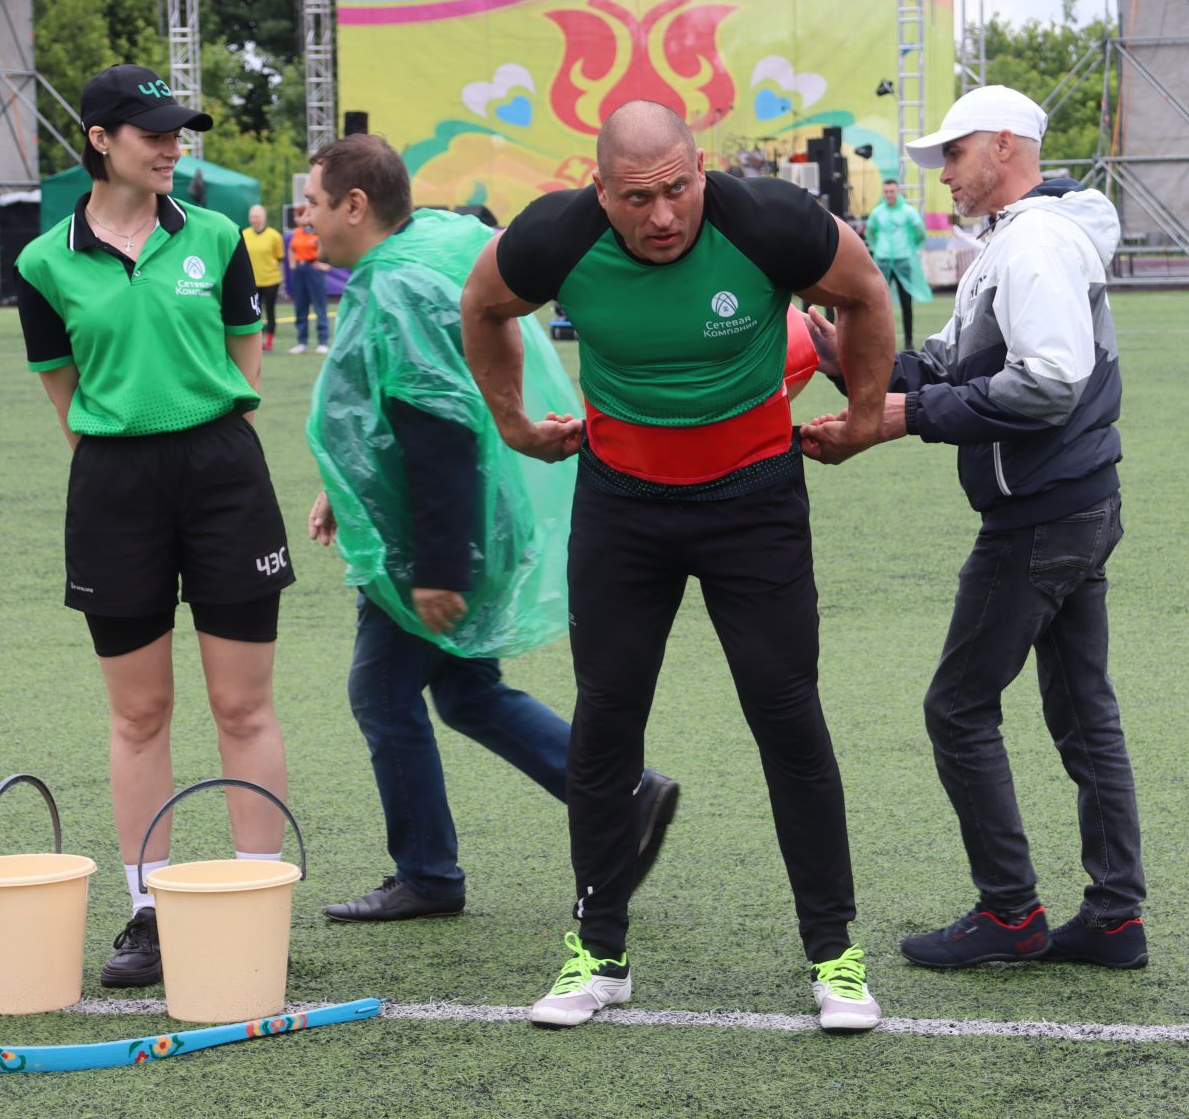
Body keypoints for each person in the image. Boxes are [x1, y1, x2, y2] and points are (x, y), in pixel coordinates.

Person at [460, 100, 897, 1033]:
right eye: (636, 198)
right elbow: (484, 306)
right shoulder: (555, 239)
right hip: (624, 507)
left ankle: (835, 956)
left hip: (755, 503)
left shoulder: (770, 221)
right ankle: (599, 954)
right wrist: (513, 424)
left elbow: (864, 294)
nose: (662, 217)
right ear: (599, 189)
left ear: (702, 171)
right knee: (605, 727)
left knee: (787, 718)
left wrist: (863, 417)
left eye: (677, 190)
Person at [298, 134, 678, 922]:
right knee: (468, 693)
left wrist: (440, 566)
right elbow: (390, 407)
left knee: (382, 697)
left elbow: (438, 429)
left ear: (354, 206)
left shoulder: (396, 285)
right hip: (481, 517)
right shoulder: (430, 245)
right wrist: (347, 487)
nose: (305, 216)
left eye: (312, 201)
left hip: (442, 537)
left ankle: (430, 874)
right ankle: (621, 793)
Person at [815, 84, 1144, 971]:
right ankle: (1116, 919)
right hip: (1079, 500)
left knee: (957, 710)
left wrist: (903, 418)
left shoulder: (1030, 243)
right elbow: (949, 365)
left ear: (1004, 146)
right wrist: (841, 359)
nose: (944, 177)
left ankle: (1010, 912)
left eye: (954, 156)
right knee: (1085, 718)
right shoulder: (1026, 238)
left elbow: (1048, 381)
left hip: (1039, 514)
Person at [12, 64, 296, 987]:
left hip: (222, 475)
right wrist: (124, 457)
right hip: (113, 487)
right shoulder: (43, 262)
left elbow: (243, 367)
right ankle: (148, 910)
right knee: (140, 713)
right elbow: (65, 393)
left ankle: (259, 898)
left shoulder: (217, 237)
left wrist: (201, 451)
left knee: (241, 704)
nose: (175, 146)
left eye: (181, 133)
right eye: (155, 133)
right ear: (100, 140)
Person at [864, 178, 932, 348]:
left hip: (903, 261)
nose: (889, 195)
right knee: (879, 303)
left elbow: (920, 233)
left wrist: (910, 247)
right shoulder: (878, 213)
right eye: (886, 192)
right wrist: (877, 248)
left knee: (906, 303)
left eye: (892, 191)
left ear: (898, 191)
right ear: (883, 193)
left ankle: (908, 341)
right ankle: (878, 339)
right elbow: (869, 233)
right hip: (883, 262)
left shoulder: (908, 212)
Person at [242, 204, 287, 352]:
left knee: (270, 310)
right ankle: (257, 341)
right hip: (251, 281)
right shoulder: (244, 234)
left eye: (257, 216)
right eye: (252, 216)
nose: (254, 219)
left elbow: (280, 257)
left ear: (264, 217)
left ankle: (269, 341)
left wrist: (280, 278)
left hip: (270, 280)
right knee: (254, 312)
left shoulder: (274, 236)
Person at [287, 212, 331, 353]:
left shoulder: (318, 231)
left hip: (314, 270)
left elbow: (329, 248)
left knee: (319, 306)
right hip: (300, 270)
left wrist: (325, 265)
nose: (300, 218)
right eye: (299, 215)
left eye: (304, 215)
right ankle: (302, 342)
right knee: (300, 307)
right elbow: (291, 249)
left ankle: (323, 341)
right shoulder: (297, 232)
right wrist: (293, 264)